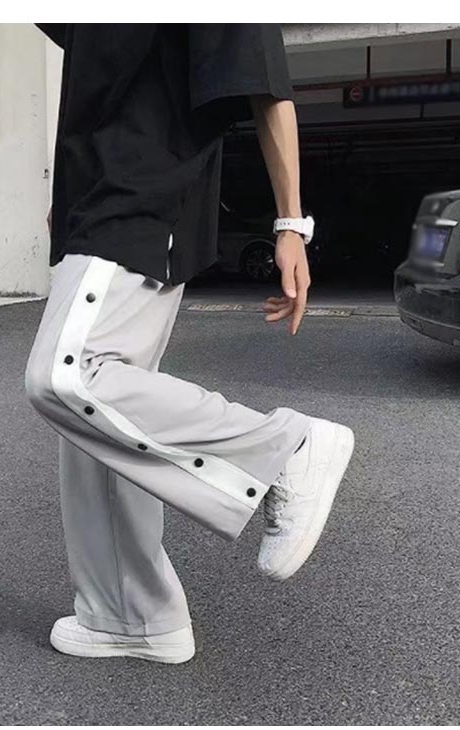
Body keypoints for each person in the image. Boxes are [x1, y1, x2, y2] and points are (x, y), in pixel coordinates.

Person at [26, 24, 354, 664]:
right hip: (94, 207)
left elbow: (262, 72)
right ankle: (134, 617)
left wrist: (291, 224)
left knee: (68, 375)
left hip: (140, 200)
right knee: (100, 433)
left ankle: (285, 450)